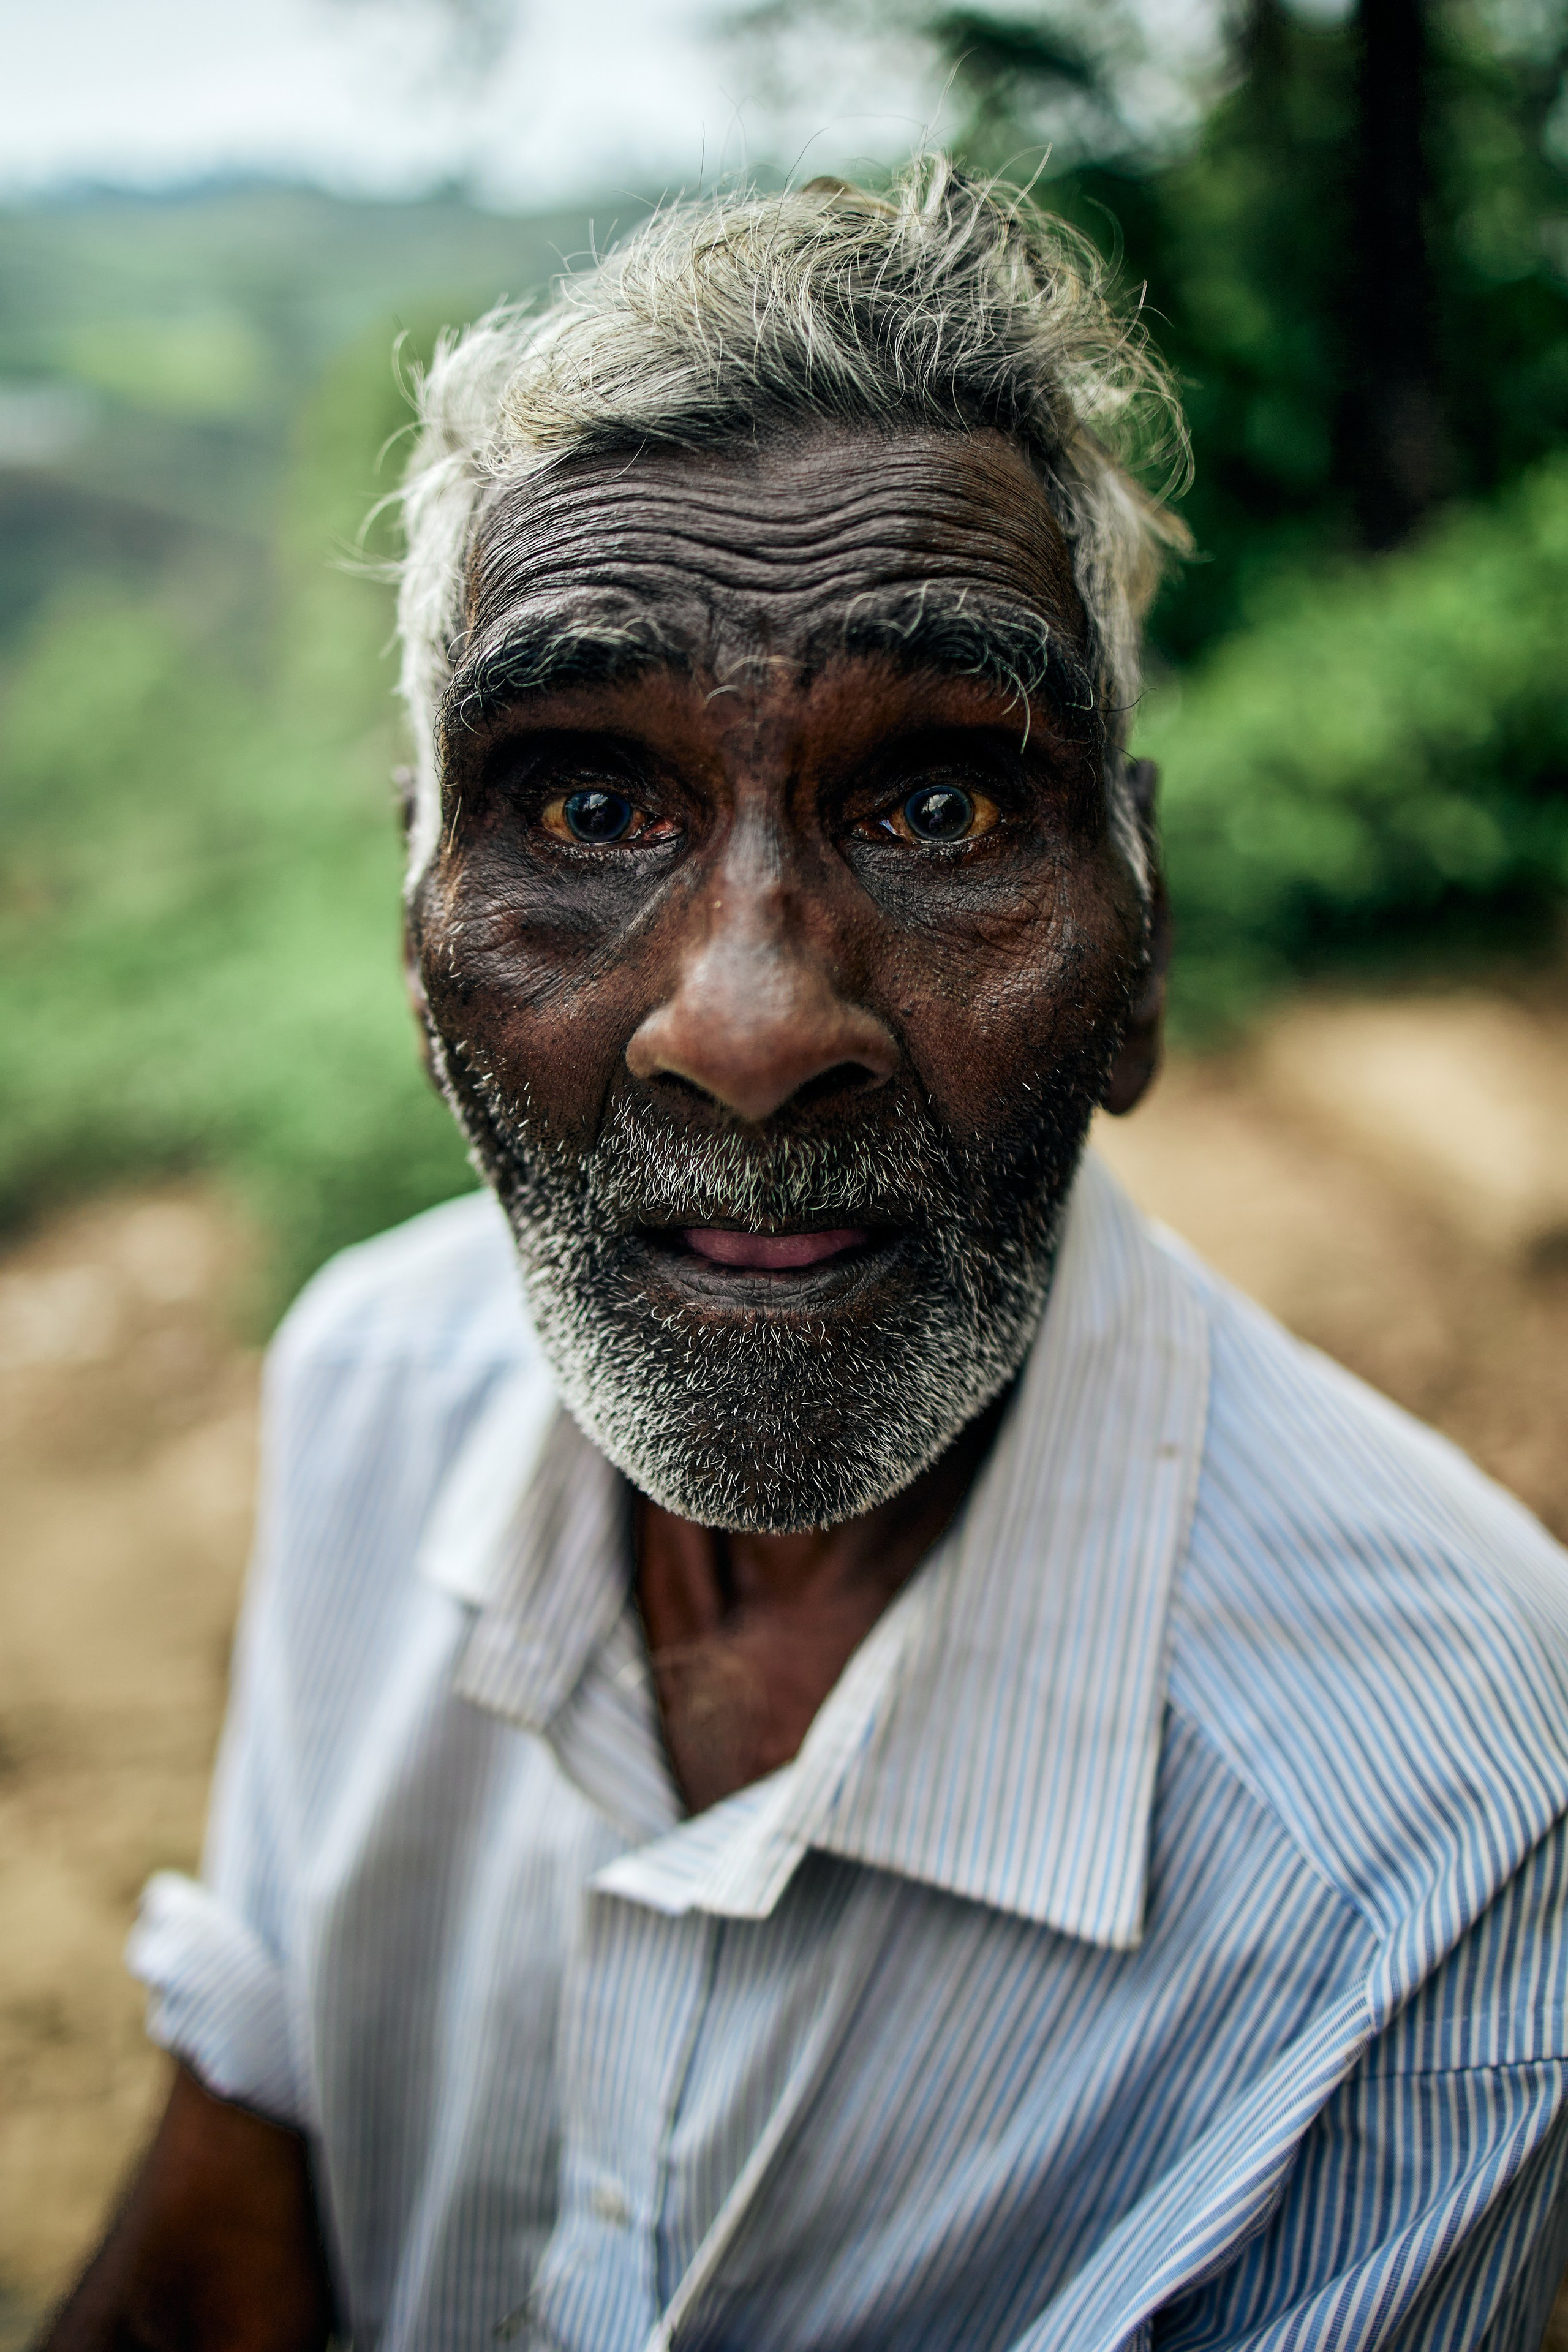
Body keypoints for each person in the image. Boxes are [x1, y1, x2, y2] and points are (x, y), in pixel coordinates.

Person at [43, 162, 1568, 2352]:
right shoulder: (371, 1385)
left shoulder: (1455, 1823)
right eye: (585, 808)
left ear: (1138, 940)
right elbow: (235, 2227)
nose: (750, 1027)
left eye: (941, 807)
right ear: (420, 946)